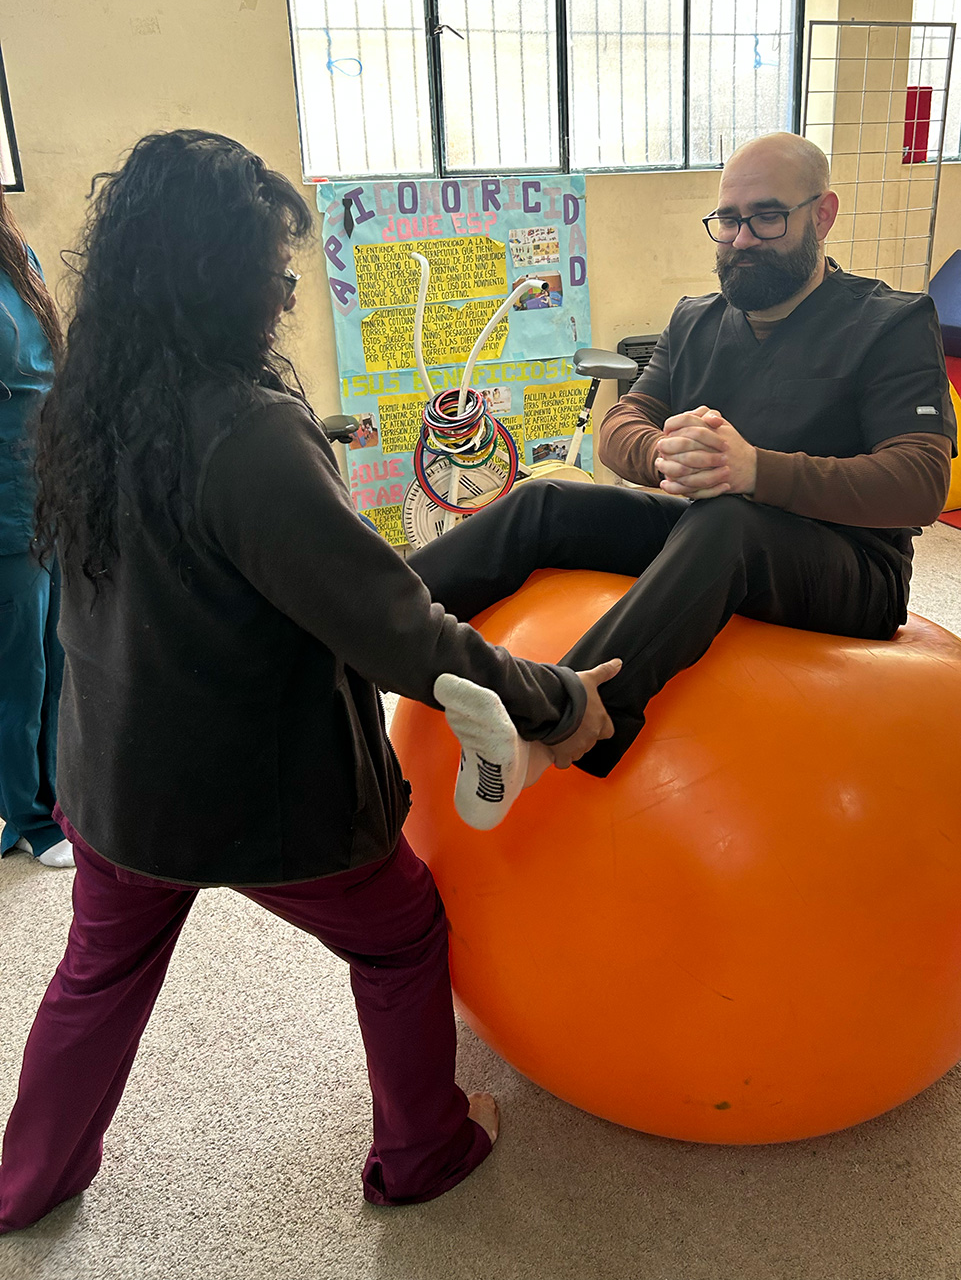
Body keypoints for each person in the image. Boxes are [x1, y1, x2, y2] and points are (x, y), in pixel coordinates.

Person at [0, 129, 617, 1234]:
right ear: (215, 273)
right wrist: (557, 699)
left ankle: (25, 1183)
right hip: (254, 791)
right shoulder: (248, 432)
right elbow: (397, 635)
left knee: (97, 973)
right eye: (273, 263)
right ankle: (424, 1147)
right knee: (398, 934)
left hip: (112, 778)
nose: (289, 284)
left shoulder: (84, 403)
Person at [409, 132, 957, 784]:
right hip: (711, 538)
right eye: (727, 219)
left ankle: (562, 718)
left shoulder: (890, 323)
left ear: (823, 214)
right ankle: (364, 632)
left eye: (767, 216)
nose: (741, 239)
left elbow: (922, 480)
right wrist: (661, 451)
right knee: (543, 500)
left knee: (727, 518)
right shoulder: (695, 318)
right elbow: (621, 422)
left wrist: (755, 470)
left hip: (850, 569)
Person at [0, 186, 70, 869]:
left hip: (45, 495)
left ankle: (58, 801)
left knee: (59, 666)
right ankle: (25, 816)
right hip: (3, 514)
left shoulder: (17, 255)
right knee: (18, 676)